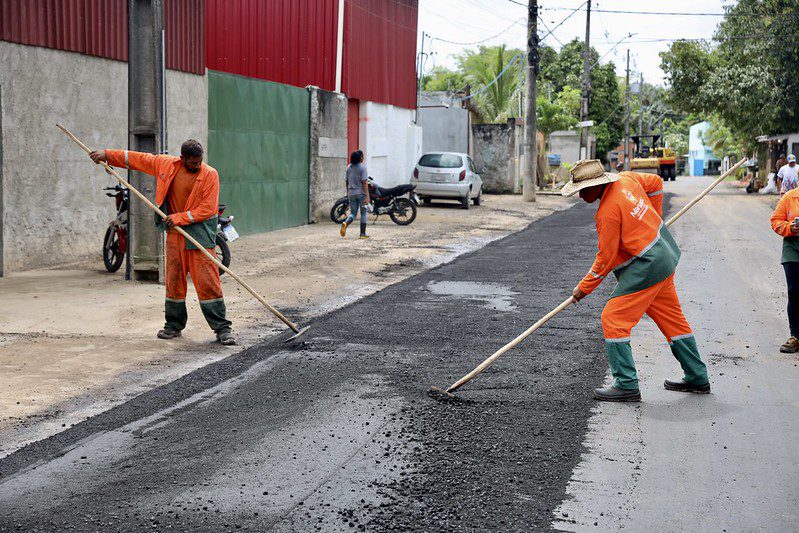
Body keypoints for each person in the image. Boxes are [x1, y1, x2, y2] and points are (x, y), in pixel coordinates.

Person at [563, 159, 710, 402]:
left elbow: (606, 259)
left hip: (649, 265)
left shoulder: (607, 213)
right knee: (673, 321)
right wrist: (653, 218)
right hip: (665, 254)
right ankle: (697, 376)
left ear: (595, 186)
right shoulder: (627, 179)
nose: (579, 196)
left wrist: (583, 288)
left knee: (613, 317)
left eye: (582, 190)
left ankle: (626, 384)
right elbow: (656, 184)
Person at [89, 140, 236, 345]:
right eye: (193, 162)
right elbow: (137, 159)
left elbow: (207, 209)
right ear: (182, 158)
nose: (197, 165)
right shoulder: (166, 165)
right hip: (175, 234)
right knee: (174, 281)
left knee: (207, 282)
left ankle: (222, 329)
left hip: (199, 235)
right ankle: (173, 325)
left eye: (199, 162)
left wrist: (179, 218)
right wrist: (106, 155)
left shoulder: (210, 174)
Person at [769, 185, 799, 352]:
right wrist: (790, 228)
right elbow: (775, 221)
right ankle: (795, 336)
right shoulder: (789, 197)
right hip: (792, 248)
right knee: (794, 290)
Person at [340, 150, 370, 239]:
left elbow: (347, 182)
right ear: (360, 158)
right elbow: (364, 183)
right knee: (363, 213)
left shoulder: (349, 167)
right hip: (361, 193)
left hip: (351, 193)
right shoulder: (362, 168)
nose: (363, 157)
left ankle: (346, 223)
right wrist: (367, 196)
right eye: (362, 156)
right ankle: (362, 234)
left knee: (353, 213)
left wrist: (347, 193)